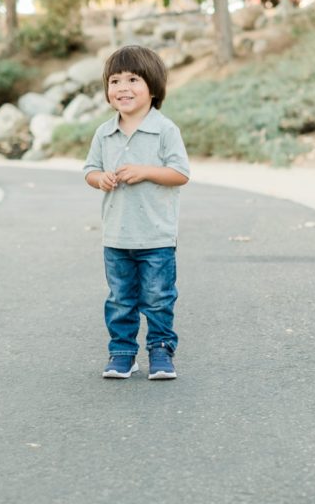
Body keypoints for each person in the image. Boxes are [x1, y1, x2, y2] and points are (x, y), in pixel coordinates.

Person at [82, 46, 190, 380]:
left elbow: (180, 174)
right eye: (115, 81)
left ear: (153, 88)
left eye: (133, 80)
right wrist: (101, 179)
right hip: (116, 237)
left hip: (156, 236)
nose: (122, 88)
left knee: (158, 299)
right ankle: (122, 353)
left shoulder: (165, 130)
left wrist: (145, 171)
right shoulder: (104, 132)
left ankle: (160, 351)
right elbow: (90, 170)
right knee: (120, 300)